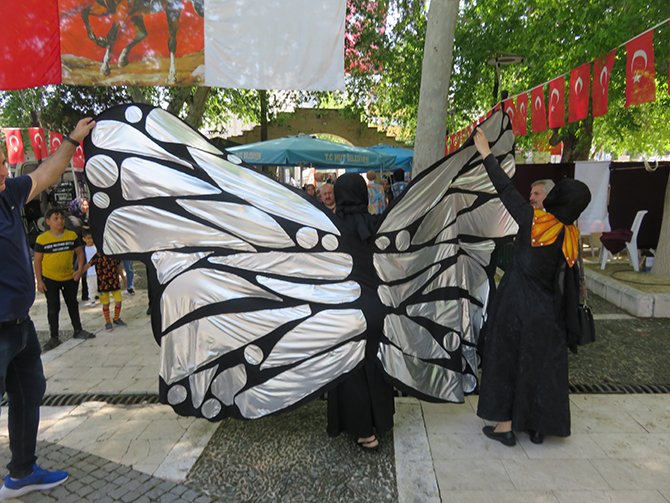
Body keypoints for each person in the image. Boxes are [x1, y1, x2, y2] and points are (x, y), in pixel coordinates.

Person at [473, 128, 591, 446]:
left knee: (506, 360)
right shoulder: (570, 235)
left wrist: (486, 153)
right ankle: (537, 428)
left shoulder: (534, 221)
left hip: (515, 305)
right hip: (548, 312)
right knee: (539, 366)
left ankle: (505, 426)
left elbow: (505, 189)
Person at [0, 117, 95, 499]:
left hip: (21, 326)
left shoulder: (8, 193)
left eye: (2, 163)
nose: (3, 171)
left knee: (29, 392)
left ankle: (22, 472)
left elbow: (46, 173)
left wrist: (73, 138)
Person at [326, 173, 395, 450]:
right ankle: (379, 421)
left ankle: (364, 431)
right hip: (377, 305)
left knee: (349, 368)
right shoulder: (377, 224)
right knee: (374, 364)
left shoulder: (332, 228)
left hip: (346, 308)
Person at [34, 207, 94, 350]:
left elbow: (80, 253)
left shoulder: (71, 236)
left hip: (69, 277)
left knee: (73, 304)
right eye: (55, 218)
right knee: (53, 307)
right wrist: (39, 281)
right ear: (47, 221)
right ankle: (54, 337)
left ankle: (78, 330)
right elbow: (37, 261)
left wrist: (79, 270)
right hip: (50, 279)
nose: (60, 221)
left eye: (61, 218)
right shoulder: (42, 239)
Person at [85, 250, 126, 331]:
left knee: (119, 301)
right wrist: (79, 272)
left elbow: (118, 267)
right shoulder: (98, 255)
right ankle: (108, 322)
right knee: (106, 303)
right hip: (103, 284)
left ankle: (116, 318)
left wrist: (123, 278)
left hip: (114, 282)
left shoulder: (114, 253)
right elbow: (89, 264)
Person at [82, 230, 98, 306]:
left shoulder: (97, 247)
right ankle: (92, 299)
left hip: (98, 271)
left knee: (98, 285)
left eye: (91, 238)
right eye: (88, 238)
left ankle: (100, 297)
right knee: (91, 286)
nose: (90, 240)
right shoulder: (83, 249)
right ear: (84, 239)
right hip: (89, 272)